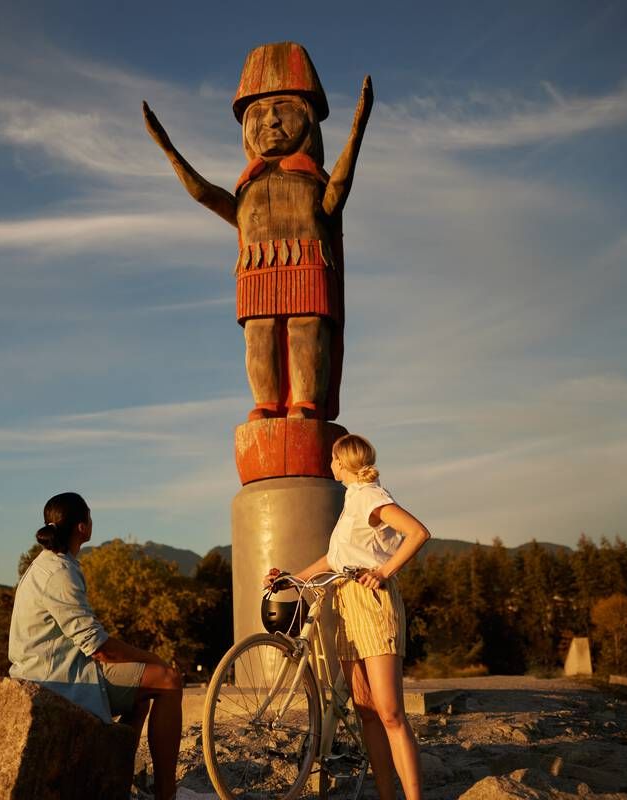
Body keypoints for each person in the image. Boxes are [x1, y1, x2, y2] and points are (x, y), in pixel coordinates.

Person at [144, 42, 372, 422]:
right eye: (260, 112)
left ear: (308, 119)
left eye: (283, 107)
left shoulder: (312, 178)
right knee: (259, 334)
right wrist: (168, 150)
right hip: (257, 265)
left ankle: (307, 401)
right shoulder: (247, 185)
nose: (271, 120)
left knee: (305, 328)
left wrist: (357, 132)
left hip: (307, 258)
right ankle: (266, 402)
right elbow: (203, 193)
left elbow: (338, 194)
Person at [265, 434, 431, 800]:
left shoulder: (371, 495)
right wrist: (291, 579)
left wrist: (385, 571)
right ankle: (388, 795)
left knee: (389, 712)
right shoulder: (351, 501)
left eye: (333, 460)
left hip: (371, 601)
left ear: (343, 462)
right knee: (366, 710)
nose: (330, 465)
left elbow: (418, 533)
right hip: (344, 602)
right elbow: (333, 560)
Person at [8, 492, 184, 800]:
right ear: (81, 527)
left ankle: (117, 778)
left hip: (58, 671)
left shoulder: (49, 565)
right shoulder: (59, 572)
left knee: (140, 696)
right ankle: (167, 793)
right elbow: (98, 647)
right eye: (89, 516)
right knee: (168, 681)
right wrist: (155, 660)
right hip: (60, 680)